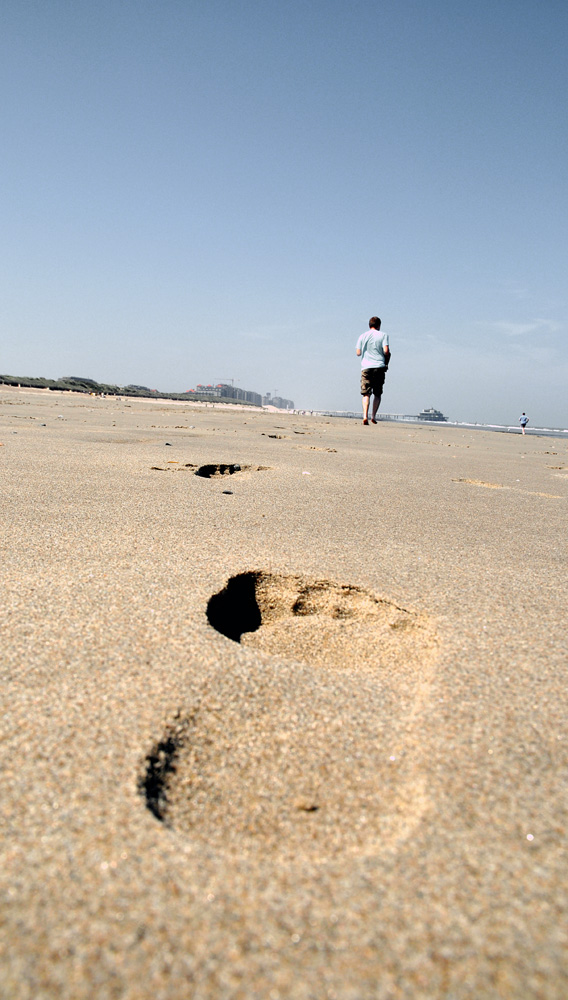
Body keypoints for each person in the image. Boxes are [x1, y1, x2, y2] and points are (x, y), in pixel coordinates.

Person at [356, 317, 390, 424]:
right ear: (379, 325)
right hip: (379, 366)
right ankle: (373, 416)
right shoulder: (383, 335)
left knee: (366, 393)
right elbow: (386, 351)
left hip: (366, 367)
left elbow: (358, 353)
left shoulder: (362, 336)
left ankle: (365, 416)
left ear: (369, 325)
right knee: (377, 393)